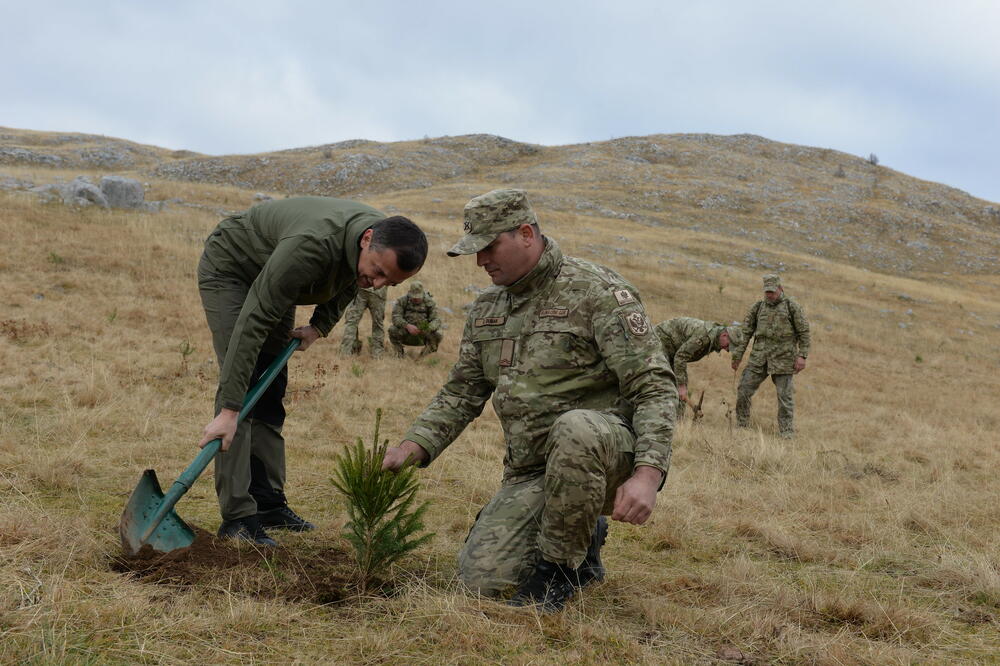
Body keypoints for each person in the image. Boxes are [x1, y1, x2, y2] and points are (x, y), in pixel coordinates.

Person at [382, 189, 677, 612]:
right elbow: (462, 392)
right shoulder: (487, 308)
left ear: (525, 234)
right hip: (531, 471)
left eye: (489, 247)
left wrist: (648, 475)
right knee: (480, 580)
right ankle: (583, 537)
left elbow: (654, 385)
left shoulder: (597, 292)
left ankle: (560, 572)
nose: (481, 261)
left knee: (576, 428)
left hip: (606, 456)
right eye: (475, 251)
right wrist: (413, 446)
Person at [197, 196, 427, 545]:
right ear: (367, 239)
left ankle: (268, 503)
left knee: (270, 387)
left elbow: (354, 279)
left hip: (279, 277)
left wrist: (319, 325)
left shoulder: (376, 241)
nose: (378, 285)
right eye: (380, 272)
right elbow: (253, 322)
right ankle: (239, 517)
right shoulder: (311, 246)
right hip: (234, 267)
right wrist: (229, 410)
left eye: (390, 283)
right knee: (245, 386)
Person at [730, 274, 811, 438]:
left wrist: (802, 356)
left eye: (772, 292)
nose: (769, 295)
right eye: (767, 292)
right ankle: (742, 424)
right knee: (743, 389)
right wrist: (737, 355)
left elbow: (804, 332)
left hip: (783, 360)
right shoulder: (758, 307)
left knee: (784, 397)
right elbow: (745, 333)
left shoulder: (792, 307)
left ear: (780, 289)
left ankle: (786, 432)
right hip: (759, 359)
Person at [654, 317, 740, 419]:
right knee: (666, 380)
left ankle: (678, 421)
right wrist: (681, 386)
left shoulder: (715, 338)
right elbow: (680, 357)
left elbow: (680, 357)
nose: (727, 350)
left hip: (674, 349)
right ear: (724, 335)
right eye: (728, 345)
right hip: (660, 340)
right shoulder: (704, 336)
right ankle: (657, 417)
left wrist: (681, 385)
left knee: (681, 383)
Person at [387, 281, 443, 358]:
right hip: (406, 331)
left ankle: (424, 357)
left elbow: (436, 320)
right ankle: (399, 354)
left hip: (424, 332)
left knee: (438, 334)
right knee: (392, 330)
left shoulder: (430, 302)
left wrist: (427, 328)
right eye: (413, 297)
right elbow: (395, 317)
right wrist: (407, 326)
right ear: (409, 293)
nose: (416, 299)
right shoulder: (402, 301)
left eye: (418, 297)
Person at [339, 286, 388, 358]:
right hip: (378, 291)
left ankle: (346, 352)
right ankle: (377, 354)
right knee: (378, 324)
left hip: (361, 289)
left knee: (352, 322)